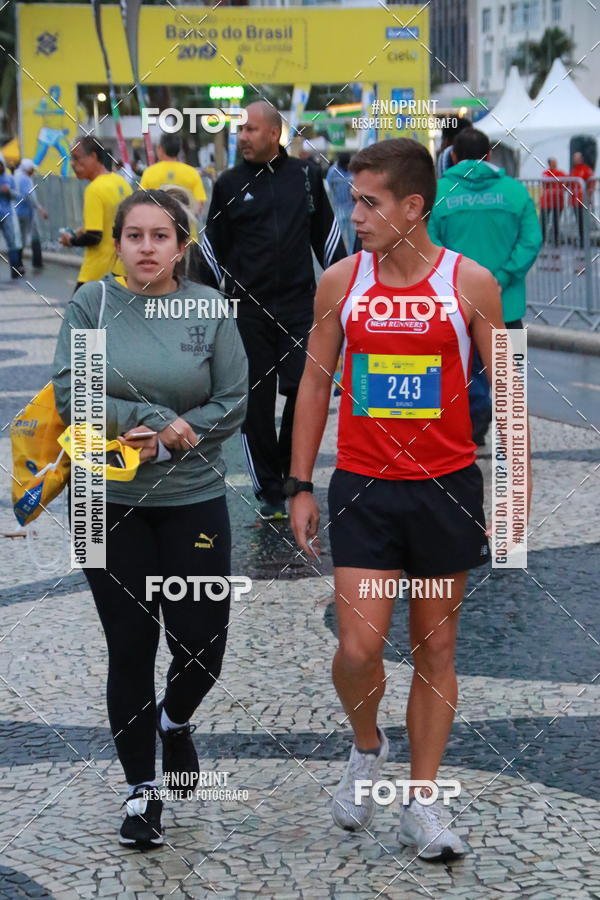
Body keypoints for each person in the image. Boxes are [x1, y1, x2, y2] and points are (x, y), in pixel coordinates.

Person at [288, 137, 532, 860]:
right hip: (364, 486)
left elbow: (510, 391)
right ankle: (367, 746)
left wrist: (515, 494)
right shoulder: (339, 282)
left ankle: (422, 805)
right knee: (359, 646)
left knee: (438, 646)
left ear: (413, 207)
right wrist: (299, 483)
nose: (354, 215)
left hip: (445, 490)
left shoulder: (472, 284)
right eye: (353, 200)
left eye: (369, 202)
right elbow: (311, 383)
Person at [52, 189, 248, 849]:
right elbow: (69, 390)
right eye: (133, 236)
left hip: (192, 495)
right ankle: (142, 794)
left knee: (202, 643)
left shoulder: (208, 309)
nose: (145, 248)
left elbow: (232, 399)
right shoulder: (92, 303)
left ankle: (176, 720)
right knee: (130, 646)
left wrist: (184, 429)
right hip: (100, 499)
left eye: (159, 236)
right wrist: (148, 419)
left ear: (180, 246)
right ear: (117, 242)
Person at [199, 100, 347, 520]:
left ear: (273, 133)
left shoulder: (306, 176)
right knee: (255, 403)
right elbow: (214, 250)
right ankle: (269, 488)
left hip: (302, 308)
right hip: (248, 310)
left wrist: (352, 291)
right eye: (239, 131)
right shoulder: (228, 184)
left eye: (249, 130)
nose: (241, 137)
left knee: (304, 390)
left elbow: (329, 238)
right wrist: (202, 304)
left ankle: (287, 469)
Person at [428, 128, 541, 445]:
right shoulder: (516, 192)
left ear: (452, 155)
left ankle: (473, 430)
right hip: (508, 305)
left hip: (457, 304)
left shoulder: (439, 193)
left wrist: (461, 280)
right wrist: (502, 277)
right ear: (490, 155)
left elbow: (431, 245)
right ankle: (512, 438)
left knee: (465, 371)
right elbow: (531, 241)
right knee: (508, 374)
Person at [59, 136, 132, 291]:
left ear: (93, 156)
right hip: (122, 273)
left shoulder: (94, 190)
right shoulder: (121, 183)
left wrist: (71, 241)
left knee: (76, 314)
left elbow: (94, 236)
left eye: (77, 158)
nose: (73, 164)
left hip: (95, 275)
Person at [140, 133, 207, 222]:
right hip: (186, 231)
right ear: (179, 149)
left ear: (160, 148)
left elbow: (140, 201)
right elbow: (199, 204)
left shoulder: (149, 172)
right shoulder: (192, 172)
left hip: (158, 230)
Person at [14, 159, 49, 273]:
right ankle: (20, 264)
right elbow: (28, 196)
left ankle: (25, 263)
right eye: (31, 169)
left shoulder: (19, 176)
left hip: (23, 212)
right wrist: (40, 208)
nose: (33, 171)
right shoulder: (24, 179)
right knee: (24, 238)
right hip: (24, 213)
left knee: (24, 237)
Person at [326, 152, 355, 256]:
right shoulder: (332, 171)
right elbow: (328, 189)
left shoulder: (353, 170)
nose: (347, 167)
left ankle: (353, 256)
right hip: (339, 208)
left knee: (353, 235)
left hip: (353, 208)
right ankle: (341, 257)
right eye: (345, 166)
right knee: (340, 236)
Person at [0, 159, 21, 278]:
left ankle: (15, 270)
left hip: (7, 215)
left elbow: (17, 195)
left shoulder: (9, 178)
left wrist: (8, 191)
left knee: (12, 243)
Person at [540, 158, 566, 249]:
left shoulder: (561, 173)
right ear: (549, 164)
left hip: (558, 203)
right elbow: (544, 183)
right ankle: (542, 242)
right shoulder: (546, 173)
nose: (555, 164)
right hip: (546, 203)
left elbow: (567, 184)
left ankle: (556, 242)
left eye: (555, 162)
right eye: (553, 163)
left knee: (556, 223)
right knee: (543, 222)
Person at [570, 151, 594, 249]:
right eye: (574, 158)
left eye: (577, 158)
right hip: (575, 201)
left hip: (583, 201)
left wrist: (589, 196)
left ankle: (586, 242)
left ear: (581, 159)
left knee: (585, 222)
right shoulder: (574, 170)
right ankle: (581, 242)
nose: (575, 160)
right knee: (579, 222)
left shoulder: (586, 169)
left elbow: (591, 184)